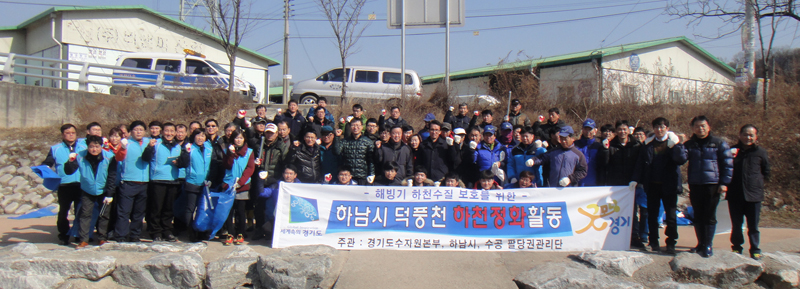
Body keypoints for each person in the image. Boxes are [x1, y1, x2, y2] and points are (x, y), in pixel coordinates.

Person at [630, 117, 688, 255]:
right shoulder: (648, 144)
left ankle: (671, 243)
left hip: (670, 185)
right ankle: (653, 242)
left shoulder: (673, 143)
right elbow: (641, 164)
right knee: (652, 215)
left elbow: (681, 159)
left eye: (662, 127)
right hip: (652, 185)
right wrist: (635, 179)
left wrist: (676, 145)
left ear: (667, 128)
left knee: (671, 216)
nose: (659, 129)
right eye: (657, 127)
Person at [683, 116, 733, 257]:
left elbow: (727, 164)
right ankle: (700, 244)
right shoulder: (690, 144)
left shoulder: (718, 143)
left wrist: (724, 183)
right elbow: (680, 159)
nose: (701, 129)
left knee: (709, 215)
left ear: (709, 126)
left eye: (703, 126)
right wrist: (680, 145)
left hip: (712, 184)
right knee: (698, 215)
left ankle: (708, 245)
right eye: (697, 126)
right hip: (695, 183)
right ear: (693, 128)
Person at [63, 135, 117, 248]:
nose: (94, 149)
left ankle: (102, 238)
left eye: (97, 147)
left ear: (101, 146)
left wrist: (110, 194)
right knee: (85, 215)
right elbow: (69, 171)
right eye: (91, 146)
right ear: (87, 146)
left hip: (103, 190)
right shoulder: (80, 156)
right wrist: (70, 161)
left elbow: (112, 176)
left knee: (104, 215)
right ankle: (83, 240)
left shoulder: (110, 157)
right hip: (87, 190)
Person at [596, 120, 645, 247]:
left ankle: (634, 237)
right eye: (619, 129)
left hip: (631, 184)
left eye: (624, 129)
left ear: (628, 130)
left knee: (632, 211)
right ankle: (614, 236)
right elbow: (605, 164)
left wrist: (636, 179)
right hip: (615, 185)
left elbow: (640, 165)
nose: (622, 132)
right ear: (616, 131)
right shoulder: (610, 145)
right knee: (614, 211)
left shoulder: (636, 145)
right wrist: (605, 150)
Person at [727, 124, 770, 260]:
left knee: (753, 225)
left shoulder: (760, 152)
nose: (748, 137)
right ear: (740, 135)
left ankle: (755, 249)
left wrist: (757, 183)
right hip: (735, 194)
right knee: (736, 224)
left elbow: (766, 171)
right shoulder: (732, 151)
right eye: (745, 134)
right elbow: (725, 169)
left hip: (754, 195)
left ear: (756, 137)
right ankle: (736, 248)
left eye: (751, 135)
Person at [41, 124, 87, 245]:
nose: (71, 135)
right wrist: (44, 167)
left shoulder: (84, 146)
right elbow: (48, 162)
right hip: (64, 185)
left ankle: (78, 234)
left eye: (73, 133)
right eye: (67, 133)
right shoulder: (55, 149)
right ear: (62, 134)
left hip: (81, 184)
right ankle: (64, 234)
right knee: (63, 212)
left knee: (81, 211)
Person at [141, 122, 182, 242]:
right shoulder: (156, 144)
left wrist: (179, 162)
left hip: (173, 180)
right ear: (162, 132)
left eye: (171, 131)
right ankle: (155, 232)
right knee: (156, 208)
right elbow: (146, 158)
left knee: (168, 208)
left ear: (175, 133)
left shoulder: (178, 146)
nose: (169, 133)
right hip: (157, 180)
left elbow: (183, 162)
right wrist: (149, 147)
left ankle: (167, 230)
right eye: (167, 131)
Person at [114, 121, 151, 242]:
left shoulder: (148, 142)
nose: (139, 132)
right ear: (131, 132)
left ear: (145, 131)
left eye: (141, 129)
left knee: (139, 213)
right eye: (136, 129)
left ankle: (135, 235)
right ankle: (121, 235)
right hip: (128, 182)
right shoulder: (126, 143)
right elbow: (118, 158)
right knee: (124, 212)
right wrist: (122, 148)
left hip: (144, 182)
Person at [177, 129, 213, 242]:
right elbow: (183, 163)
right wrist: (185, 153)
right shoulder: (189, 148)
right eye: (198, 136)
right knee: (190, 209)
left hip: (206, 184)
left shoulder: (209, 148)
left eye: (202, 136)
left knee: (203, 209)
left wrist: (211, 179)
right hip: (192, 182)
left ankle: (201, 231)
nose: (200, 138)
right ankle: (191, 232)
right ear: (193, 137)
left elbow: (214, 164)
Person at [221, 129, 256, 246]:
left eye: (241, 138)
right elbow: (227, 165)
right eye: (236, 138)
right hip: (228, 185)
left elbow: (250, 168)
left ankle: (241, 232)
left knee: (241, 211)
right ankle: (230, 233)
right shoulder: (227, 151)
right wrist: (230, 154)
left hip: (242, 185)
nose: (238, 140)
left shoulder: (249, 152)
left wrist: (241, 182)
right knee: (229, 211)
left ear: (244, 139)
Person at [260, 165, 302, 238]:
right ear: (283, 174)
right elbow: (262, 193)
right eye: (286, 173)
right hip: (278, 215)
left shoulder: (300, 187)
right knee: (267, 230)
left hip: (294, 216)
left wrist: (325, 182)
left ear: (295, 175)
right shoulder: (276, 186)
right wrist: (260, 180)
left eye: (291, 174)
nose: (288, 176)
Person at [334, 119, 375, 183]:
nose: (355, 127)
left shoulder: (368, 142)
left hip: (362, 176)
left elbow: (371, 160)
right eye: (353, 125)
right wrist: (337, 137)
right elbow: (337, 152)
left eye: (358, 125)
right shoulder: (344, 141)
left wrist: (371, 174)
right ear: (350, 127)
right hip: (348, 176)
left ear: (362, 127)